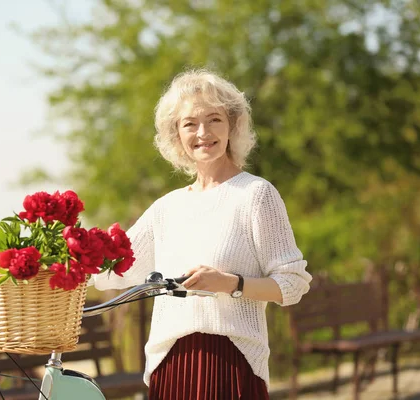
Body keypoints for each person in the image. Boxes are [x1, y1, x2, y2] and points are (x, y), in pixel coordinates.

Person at [92, 69, 312, 400]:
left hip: (231, 363)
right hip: (171, 365)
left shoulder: (255, 194)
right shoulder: (166, 208)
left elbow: (292, 284)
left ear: (233, 126)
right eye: (190, 123)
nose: (203, 132)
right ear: (176, 133)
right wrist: (57, 261)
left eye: (214, 120)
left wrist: (231, 284)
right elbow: (112, 269)